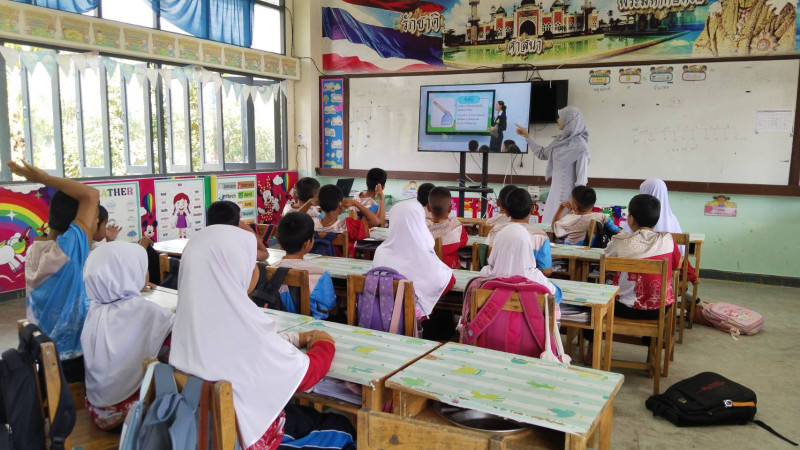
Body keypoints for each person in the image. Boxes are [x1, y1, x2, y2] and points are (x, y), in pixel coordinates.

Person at [169, 225, 355, 450]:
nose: (256, 270)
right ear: (234, 269)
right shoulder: (244, 325)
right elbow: (305, 375)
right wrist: (323, 343)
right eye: (251, 262)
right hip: (248, 437)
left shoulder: (185, 319)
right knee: (342, 427)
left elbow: (248, 346)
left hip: (199, 429)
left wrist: (295, 338)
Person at [8, 160, 99, 382]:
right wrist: (45, 179)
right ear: (76, 221)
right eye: (94, 218)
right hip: (73, 358)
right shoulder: (68, 249)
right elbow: (90, 195)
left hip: (45, 354)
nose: (94, 222)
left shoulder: (36, 249)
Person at [80, 242, 174, 430]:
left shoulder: (95, 309)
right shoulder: (148, 312)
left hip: (97, 407)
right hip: (129, 413)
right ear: (130, 274)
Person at [372, 200, 454, 321]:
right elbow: (448, 281)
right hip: (414, 322)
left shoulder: (381, 252)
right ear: (420, 222)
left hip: (380, 318)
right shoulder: (424, 255)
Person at [606, 194, 681, 319]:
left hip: (625, 307)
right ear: (657, 219)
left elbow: (606, 263)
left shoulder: (619, 241)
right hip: (661, 308)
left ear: (631, 219)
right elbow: (676, 265)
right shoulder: (668, 239)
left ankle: (592, 330)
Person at [516, 106, 590, 223]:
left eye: (561, 118)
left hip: (570, 201)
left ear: (569, 121)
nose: (558, 120)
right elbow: (542, 154)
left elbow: (581, 179)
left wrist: (576, 204)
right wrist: (527, 136)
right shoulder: (559, 141)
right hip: (553, 196)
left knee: (563, 229)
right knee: (549, 226)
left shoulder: (581, 146)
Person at [274, 213, 337, 319]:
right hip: (313, 325)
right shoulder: (320, 274)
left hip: (279, 321)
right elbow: (327, 308)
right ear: (307, 243)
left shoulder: (269, 269)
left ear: (279, 241)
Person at [480, 223, 562, 305]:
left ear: (496, 247)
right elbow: (556, 296)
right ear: (527, 249)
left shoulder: (484, 275)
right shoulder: (536, 278)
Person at [486, 188, 553, 276]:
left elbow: (489, 261)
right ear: (533, 209)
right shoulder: (541, 236)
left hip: (499, 280)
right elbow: (546, 271)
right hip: (527, 281)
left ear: (506, 212)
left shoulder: (495, 231)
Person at [304, 185, 377, 257]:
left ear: (319, 205)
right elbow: (375, 221)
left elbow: (296, 220)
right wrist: (356, 203)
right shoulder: (347, 225)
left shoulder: (311, 224)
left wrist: (308, 203)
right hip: (339, 263)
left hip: (313, 263)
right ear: (340, 204)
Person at [553, 186, 620, 246]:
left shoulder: (568, 219)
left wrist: (561, 207)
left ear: (575, 206)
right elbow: (616, 231)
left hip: (570, 253)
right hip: (594, 253)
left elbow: (554, 226)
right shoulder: (602, 217)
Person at [426, 187, 468, 269]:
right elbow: (463, 242)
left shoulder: (422, 227)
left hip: (428, 269)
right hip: (451, 269)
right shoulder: (457, 226)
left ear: (428, 208)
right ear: (450, 208)